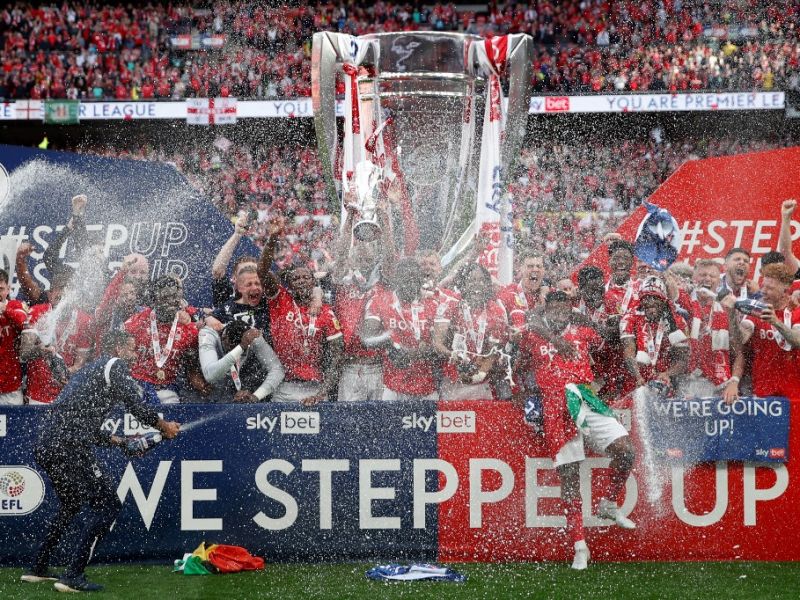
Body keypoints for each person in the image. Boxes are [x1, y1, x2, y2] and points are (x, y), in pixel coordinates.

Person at [23, 330, 180, 593]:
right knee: (108, 504)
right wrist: (162, 425)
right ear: (118, 348)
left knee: (72, 502)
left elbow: (80, 424)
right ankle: (72, 575)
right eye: (131, 348)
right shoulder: (114, 365)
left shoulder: (92, 373)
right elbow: (135, 405)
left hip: (48, 444)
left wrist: (120, 442)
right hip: (68, 445)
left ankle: (38, 568)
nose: (135, 354)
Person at [519, 291, 635, 570]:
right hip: (555, 406)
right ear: (547, 309)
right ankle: (579, 547)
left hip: (586, 399)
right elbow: (521, 357)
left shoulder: (583, 331)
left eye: (565, 308)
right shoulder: (533, 334)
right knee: (569, 478)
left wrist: (608, 384)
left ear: (571, 310)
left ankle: (608, 503)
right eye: (555, 308)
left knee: (626, 452)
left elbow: (608, 351)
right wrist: (522, 394)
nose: (560, 313)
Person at [360, 258, 439, 400]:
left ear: (421, 280)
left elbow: (440, 345)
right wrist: (390, 345)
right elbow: (367, 337)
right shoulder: (380, 301)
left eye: (415, 279)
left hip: (427, 389)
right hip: (392, 387)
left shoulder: (432, 304)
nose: (410, 284)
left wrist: (416, 353)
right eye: (406, 279)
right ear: (396, 279)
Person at [433, 263, 509, 400]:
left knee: (481, 421)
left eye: (481, 280)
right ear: (463, 283)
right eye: (472, 280)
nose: (477, 284)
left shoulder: (495, 311)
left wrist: (479, 373)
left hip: (481, 383)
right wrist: (455, 356)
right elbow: (437, 343)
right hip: (453, 382)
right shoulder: (451, 306)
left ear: (487, 285)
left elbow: (493, 352)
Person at [124, 275, 202, 403]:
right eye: (165, 298)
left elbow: (192, 369)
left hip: (168, 386)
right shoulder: (137, 322)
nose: (171, 302)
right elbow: (117, 351)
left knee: (170, 403)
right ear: (154, 300)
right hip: (138, 383)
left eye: (174, 297)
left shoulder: (189, 329)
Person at [735, 263, 800, 399]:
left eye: (770, 288)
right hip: (763, 391)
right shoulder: (755, 310)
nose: (763, 291)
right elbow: (741, 340)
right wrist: (731, 315)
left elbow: (797, 341)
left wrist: (775, 322)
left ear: (785, 289)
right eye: (763, 285)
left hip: (794, 391)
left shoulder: (796, 310)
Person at [620, 276, 690, 390]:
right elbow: (629, 352)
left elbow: (683, 359)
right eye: (646, 299)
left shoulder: (677, 321)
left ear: (663, 301)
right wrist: (638, 377)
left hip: (667, 379)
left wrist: (668, 373)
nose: (650, 303)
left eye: (655, 299)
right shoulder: (629, 318)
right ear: (641, 301)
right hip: (636, 379)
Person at [688, 259, 740, 401]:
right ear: (694, 278)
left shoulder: (726, 308)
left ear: (719, 281)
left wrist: (734, 381)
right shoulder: (684, 304)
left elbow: (739, 352)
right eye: (703, 275)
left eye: (712, 276)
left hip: (722, 384)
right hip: (690, 384)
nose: (707, 279)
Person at [198, 320, 285, 402]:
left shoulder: (252, 336)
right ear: (224, 338)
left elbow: (277, 369)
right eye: (231, 348)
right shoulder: (207, 334)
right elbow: (210, 375)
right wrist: (241, 347)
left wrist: (255, 396)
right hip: (208, 389)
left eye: (243, 352)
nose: (238, 357)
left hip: (240, 386)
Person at [0, 268, 28, 405]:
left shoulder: (14, 306)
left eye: (0, 289)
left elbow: (25, 324)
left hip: (10, 388)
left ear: (8, 289)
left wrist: (5, 311)